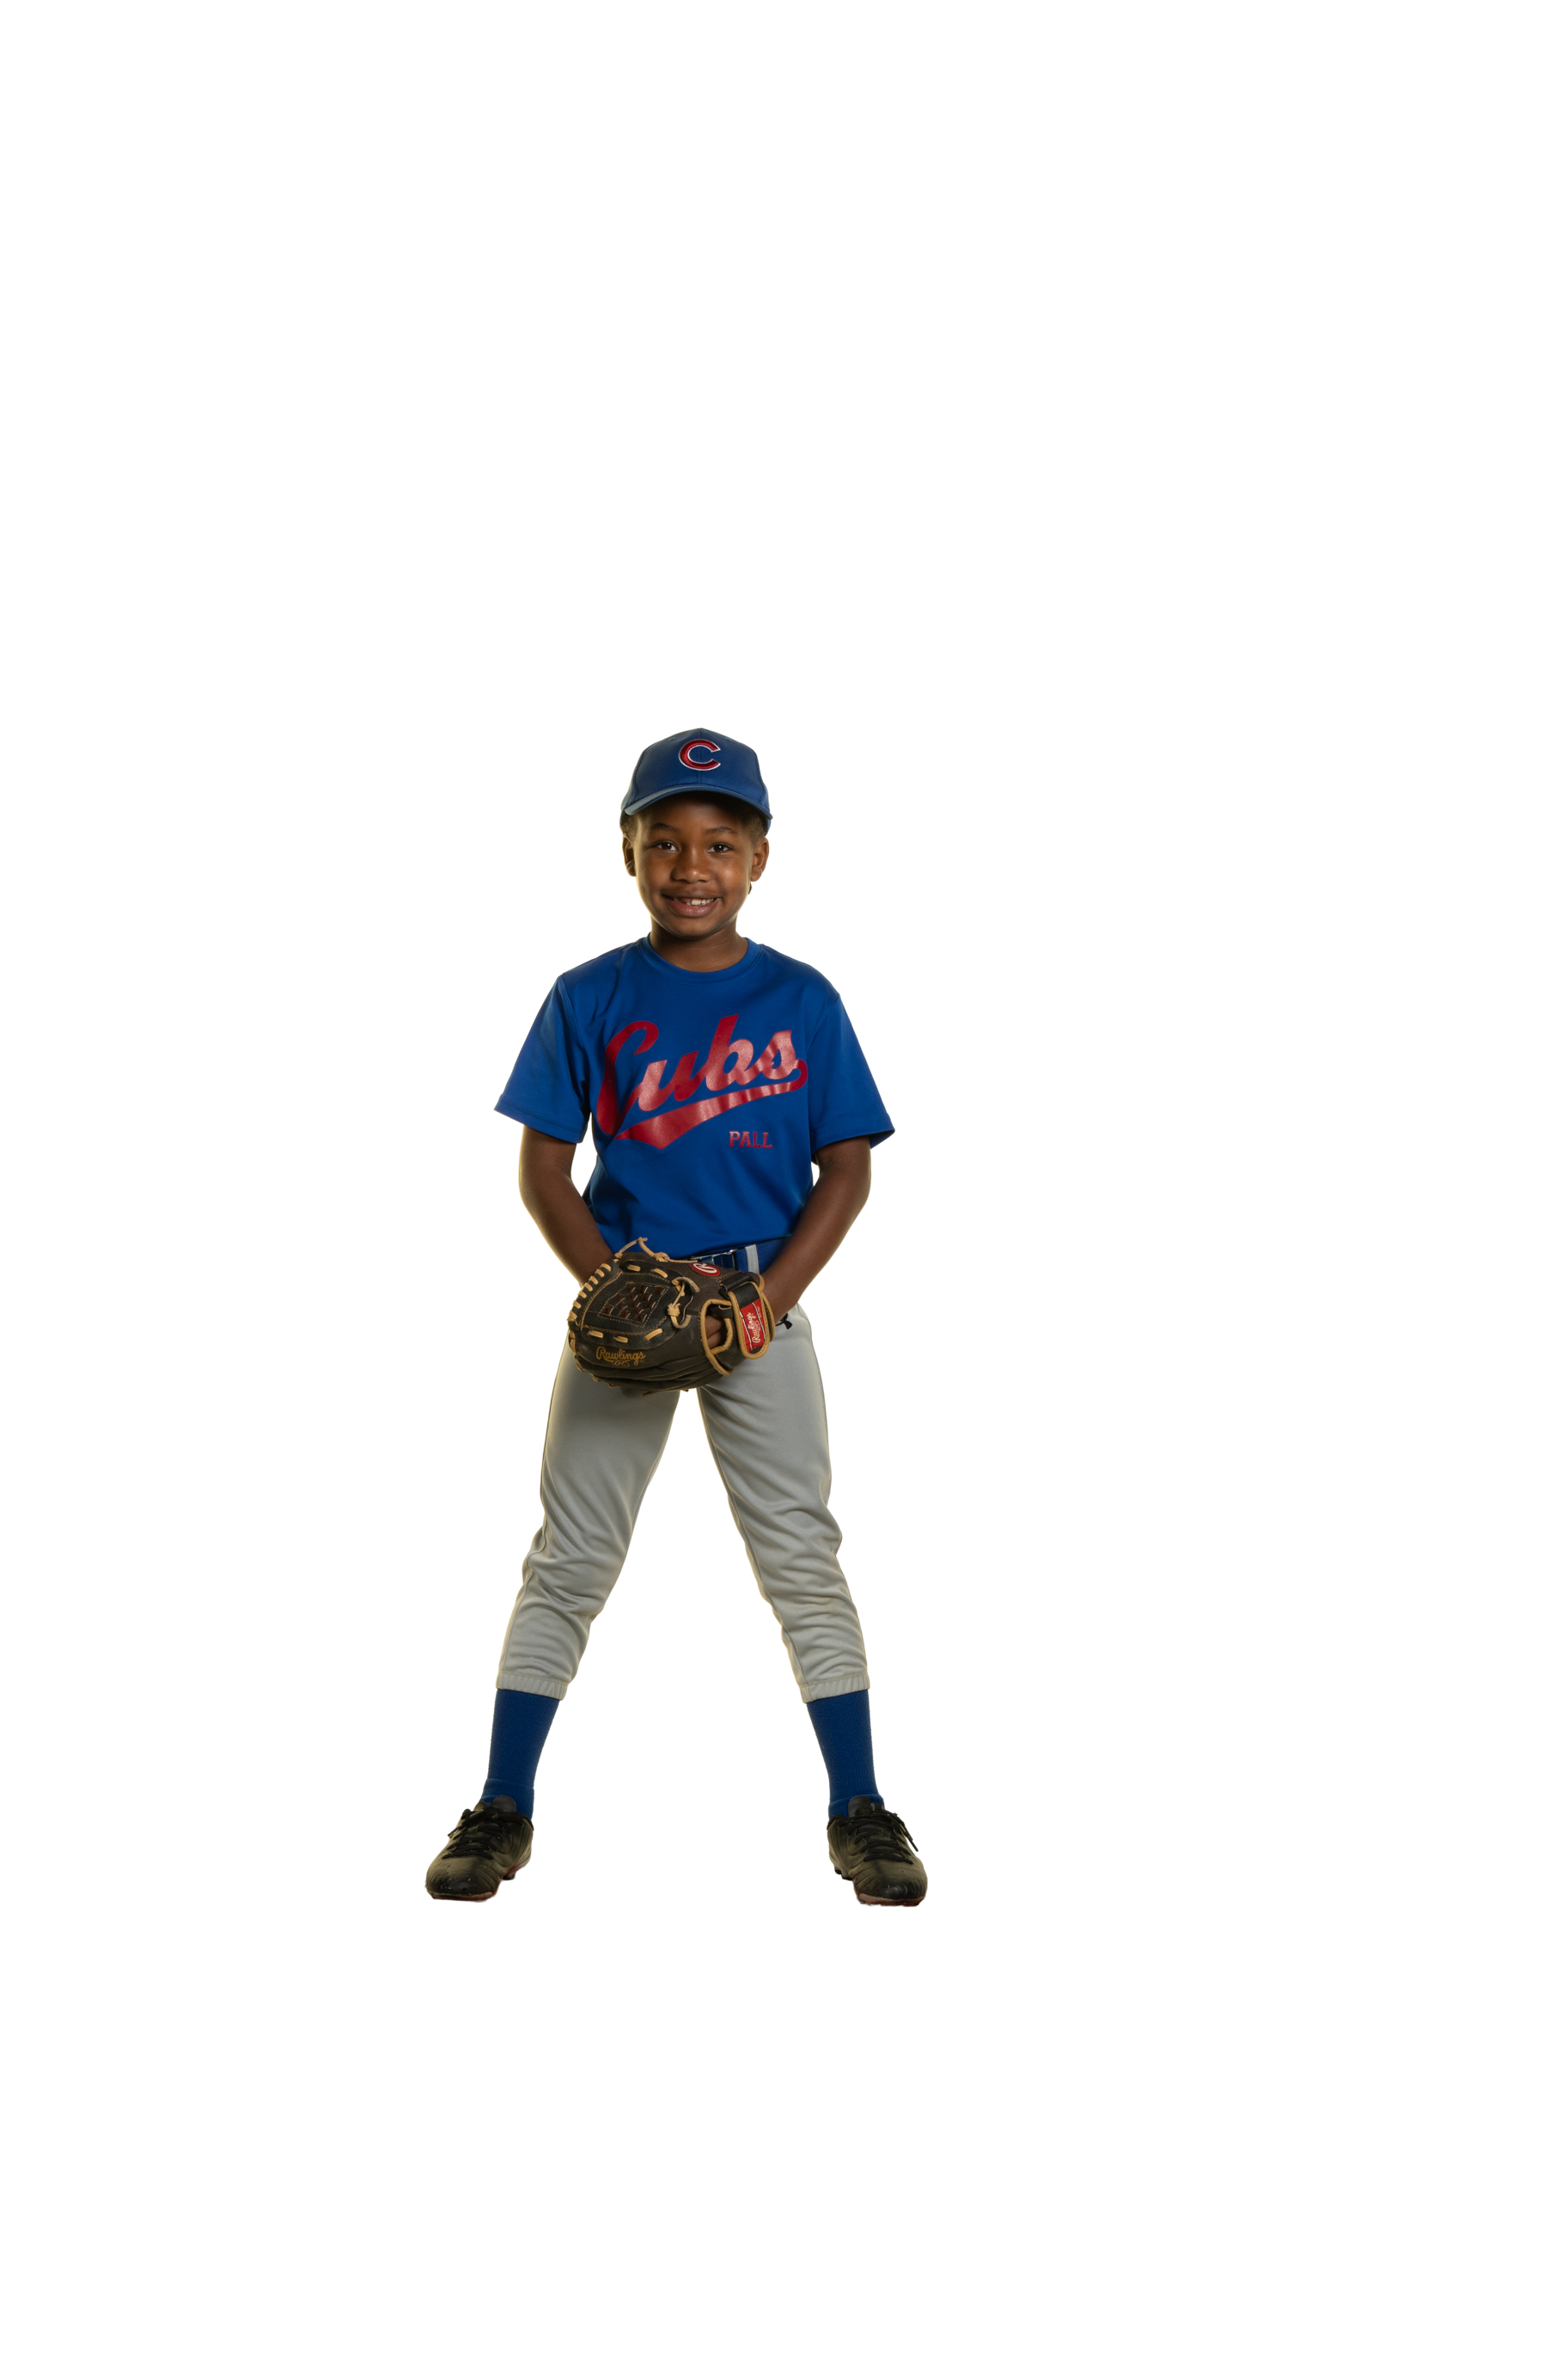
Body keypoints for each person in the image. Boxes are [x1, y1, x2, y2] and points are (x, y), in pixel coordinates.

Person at [424, 728, 928, 1910]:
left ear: (759, 857)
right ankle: (502, 1802)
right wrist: (616, 1292)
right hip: (629, 1302)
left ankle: (860, 1804)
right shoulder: (586, 994)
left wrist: (764, 1308)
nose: (690, 866)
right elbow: (543, 1168)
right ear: (628, 852)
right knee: (569, 1557)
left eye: (718, 842)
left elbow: (848, 1167)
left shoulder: (802, 997)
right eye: (664, 842)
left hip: (759, 1299)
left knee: (801, 1554)